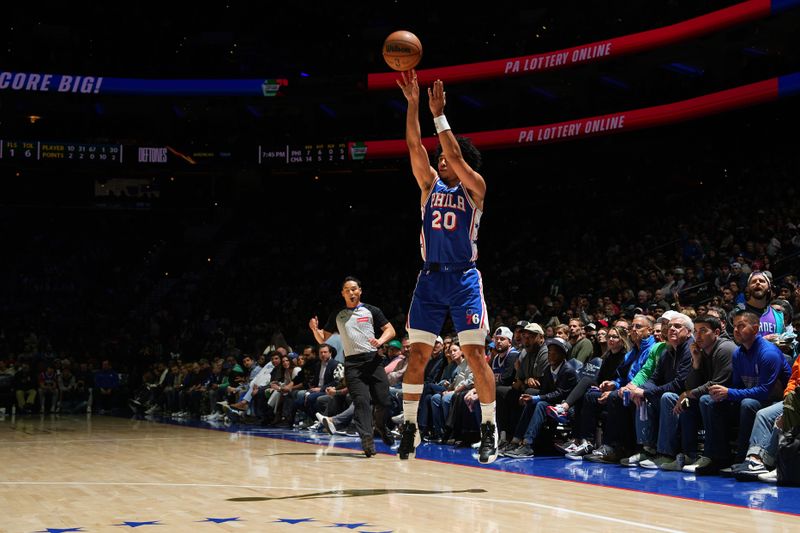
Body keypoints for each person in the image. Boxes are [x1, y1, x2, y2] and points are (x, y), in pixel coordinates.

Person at [396, 70, 498, 464]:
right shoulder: (429, 187)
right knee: (417, 356)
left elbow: (454, 153)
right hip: (429, 280)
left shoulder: (475, 188)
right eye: (438, 158)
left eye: (445, 157)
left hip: (464, 279)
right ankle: (410, 427)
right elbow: (411, 146)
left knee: (475, 356)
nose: (440, 160)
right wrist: (413, 104)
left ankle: (489, 428)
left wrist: (440, 116)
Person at [309, 276, 396, 457]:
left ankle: (380, 425)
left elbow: (390, 330)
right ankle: (367, 441)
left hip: (373, 361)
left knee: (384, 401)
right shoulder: (337, 314)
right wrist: (314, 330)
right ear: (343, 294)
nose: (351, 292)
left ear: (360, 291)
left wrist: (380, 340)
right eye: (347, 290)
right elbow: (323, 339)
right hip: (353, 364)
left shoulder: (371, 310)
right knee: (361, 402)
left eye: (354, 289)